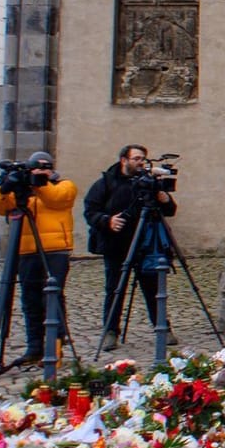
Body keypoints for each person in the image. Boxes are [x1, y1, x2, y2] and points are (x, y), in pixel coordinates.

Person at [83, 143, 178, 351]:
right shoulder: (106, 183)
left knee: (152, 289)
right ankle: (110, 331)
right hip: (116, 245)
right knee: (115, 289)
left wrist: (165, 198)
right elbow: (90, 211)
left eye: (143, 158)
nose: (141, 162)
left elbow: (170, 211)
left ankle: (163, 327)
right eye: (136, 158)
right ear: (124, 160)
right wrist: (107, 221)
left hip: (145, 245)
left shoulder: (150, 183)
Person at [0, 151, 78, 366]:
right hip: (26, 250)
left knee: (52, 297)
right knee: (30, 300)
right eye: (38, 167)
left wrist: (38, 183)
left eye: (47, 167)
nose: (43, 171)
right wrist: (5, 187)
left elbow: (56, 199)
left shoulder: (64, 186)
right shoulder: (24, 190)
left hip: (56, 250)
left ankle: (55, 346)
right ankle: (34, 347)